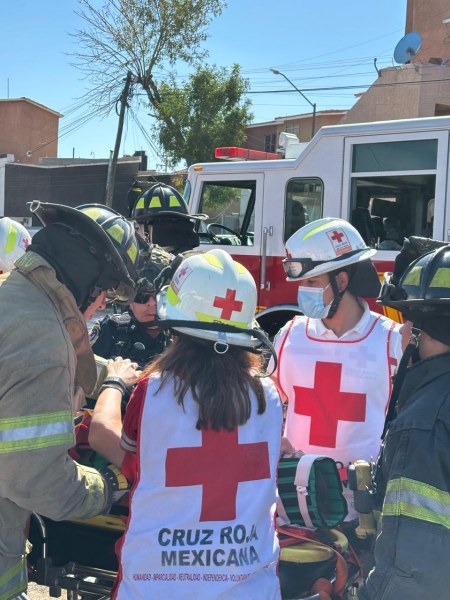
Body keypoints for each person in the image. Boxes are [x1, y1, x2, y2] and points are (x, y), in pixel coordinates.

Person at [89, 248, 283, 599]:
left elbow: (110, 443)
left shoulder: (153, 391)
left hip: (158, 584)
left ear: (174, 327)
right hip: (247, 586)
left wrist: (114, 382)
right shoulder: (267, 396)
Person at [0, 201, 141, 600]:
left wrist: (114, 377)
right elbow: (42, 484)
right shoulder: (41, 340)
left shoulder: (14, 296)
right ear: (89, 281)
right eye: (107, 294)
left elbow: (49, 354)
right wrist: (113, 482)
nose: (101, 307)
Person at [272, 217, 402, 520]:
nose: (303, 291)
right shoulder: (289, 336)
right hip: (295, 502)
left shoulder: (391, 341)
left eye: (312, 282)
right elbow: (270, 407)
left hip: (362, 508)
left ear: (342, 281)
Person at [358, 242, 450, 600]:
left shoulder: (424, 425)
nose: (398, 332)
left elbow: (413, 574)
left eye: (403, 319)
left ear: (422, 331)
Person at [90, 244, 173, 368]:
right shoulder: (110, 329)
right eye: (142, 297)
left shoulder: (181, 336)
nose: (152, 303)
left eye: (158, 296)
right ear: (129, 301)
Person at [132, 182, 207, 254]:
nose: (137, 233)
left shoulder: (161, 264)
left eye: (137, 227)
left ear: (148, 232)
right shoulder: (192, 259)